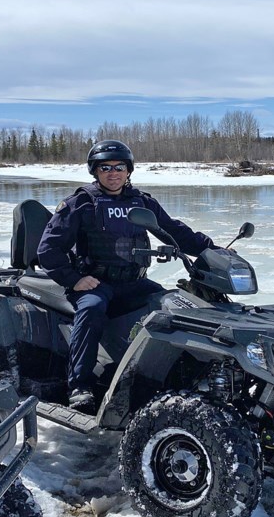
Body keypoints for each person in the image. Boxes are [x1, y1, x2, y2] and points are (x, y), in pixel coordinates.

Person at [37, 140, 221, 412]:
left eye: (119, 167)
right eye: (105, 168)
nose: (113, 173)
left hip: (134, 282)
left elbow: (174, 231)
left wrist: (211, 250)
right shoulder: (81, 204)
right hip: (95, 284)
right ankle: (80, 385)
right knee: (92, 310)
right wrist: (74, 279)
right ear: (95, 172)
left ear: (128, 170)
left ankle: (177, 373)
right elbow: (48, 249)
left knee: (176, 304)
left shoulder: (142, 202)